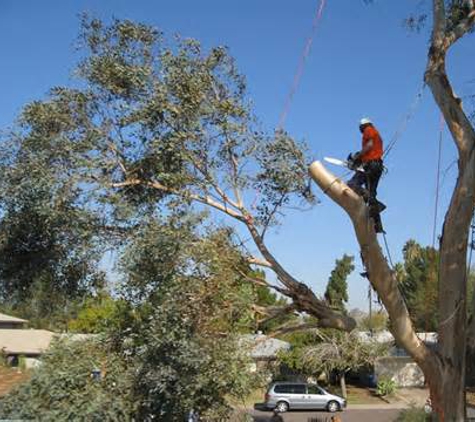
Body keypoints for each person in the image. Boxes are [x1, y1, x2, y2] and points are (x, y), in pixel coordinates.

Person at [347, 117, 386, 233]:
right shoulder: (377, 135)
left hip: (370, 166)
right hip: (377, 167)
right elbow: (372, 150)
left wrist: (357, 156)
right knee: (372, 196)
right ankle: (377, 226)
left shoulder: (368, 130)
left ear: (362, 126)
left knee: (352, 184)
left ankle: (374, 201)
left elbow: (368, 145)